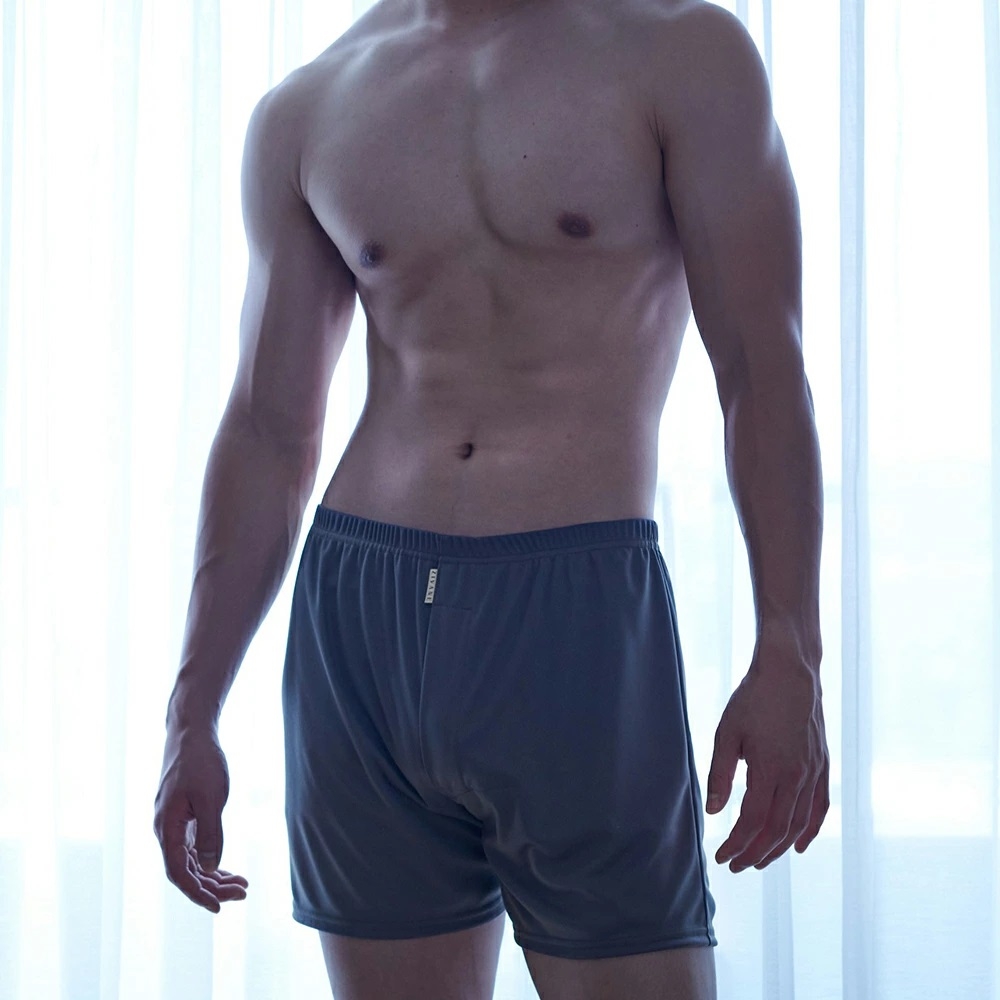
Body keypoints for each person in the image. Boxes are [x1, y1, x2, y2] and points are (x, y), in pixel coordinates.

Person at [153, 0, 831, 996]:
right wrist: (193, 708)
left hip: (572, 613)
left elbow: (763, 375)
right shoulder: (309, 106)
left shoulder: (681, 52)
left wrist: (791, 647)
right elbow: (265, 431)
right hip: (362, 624)